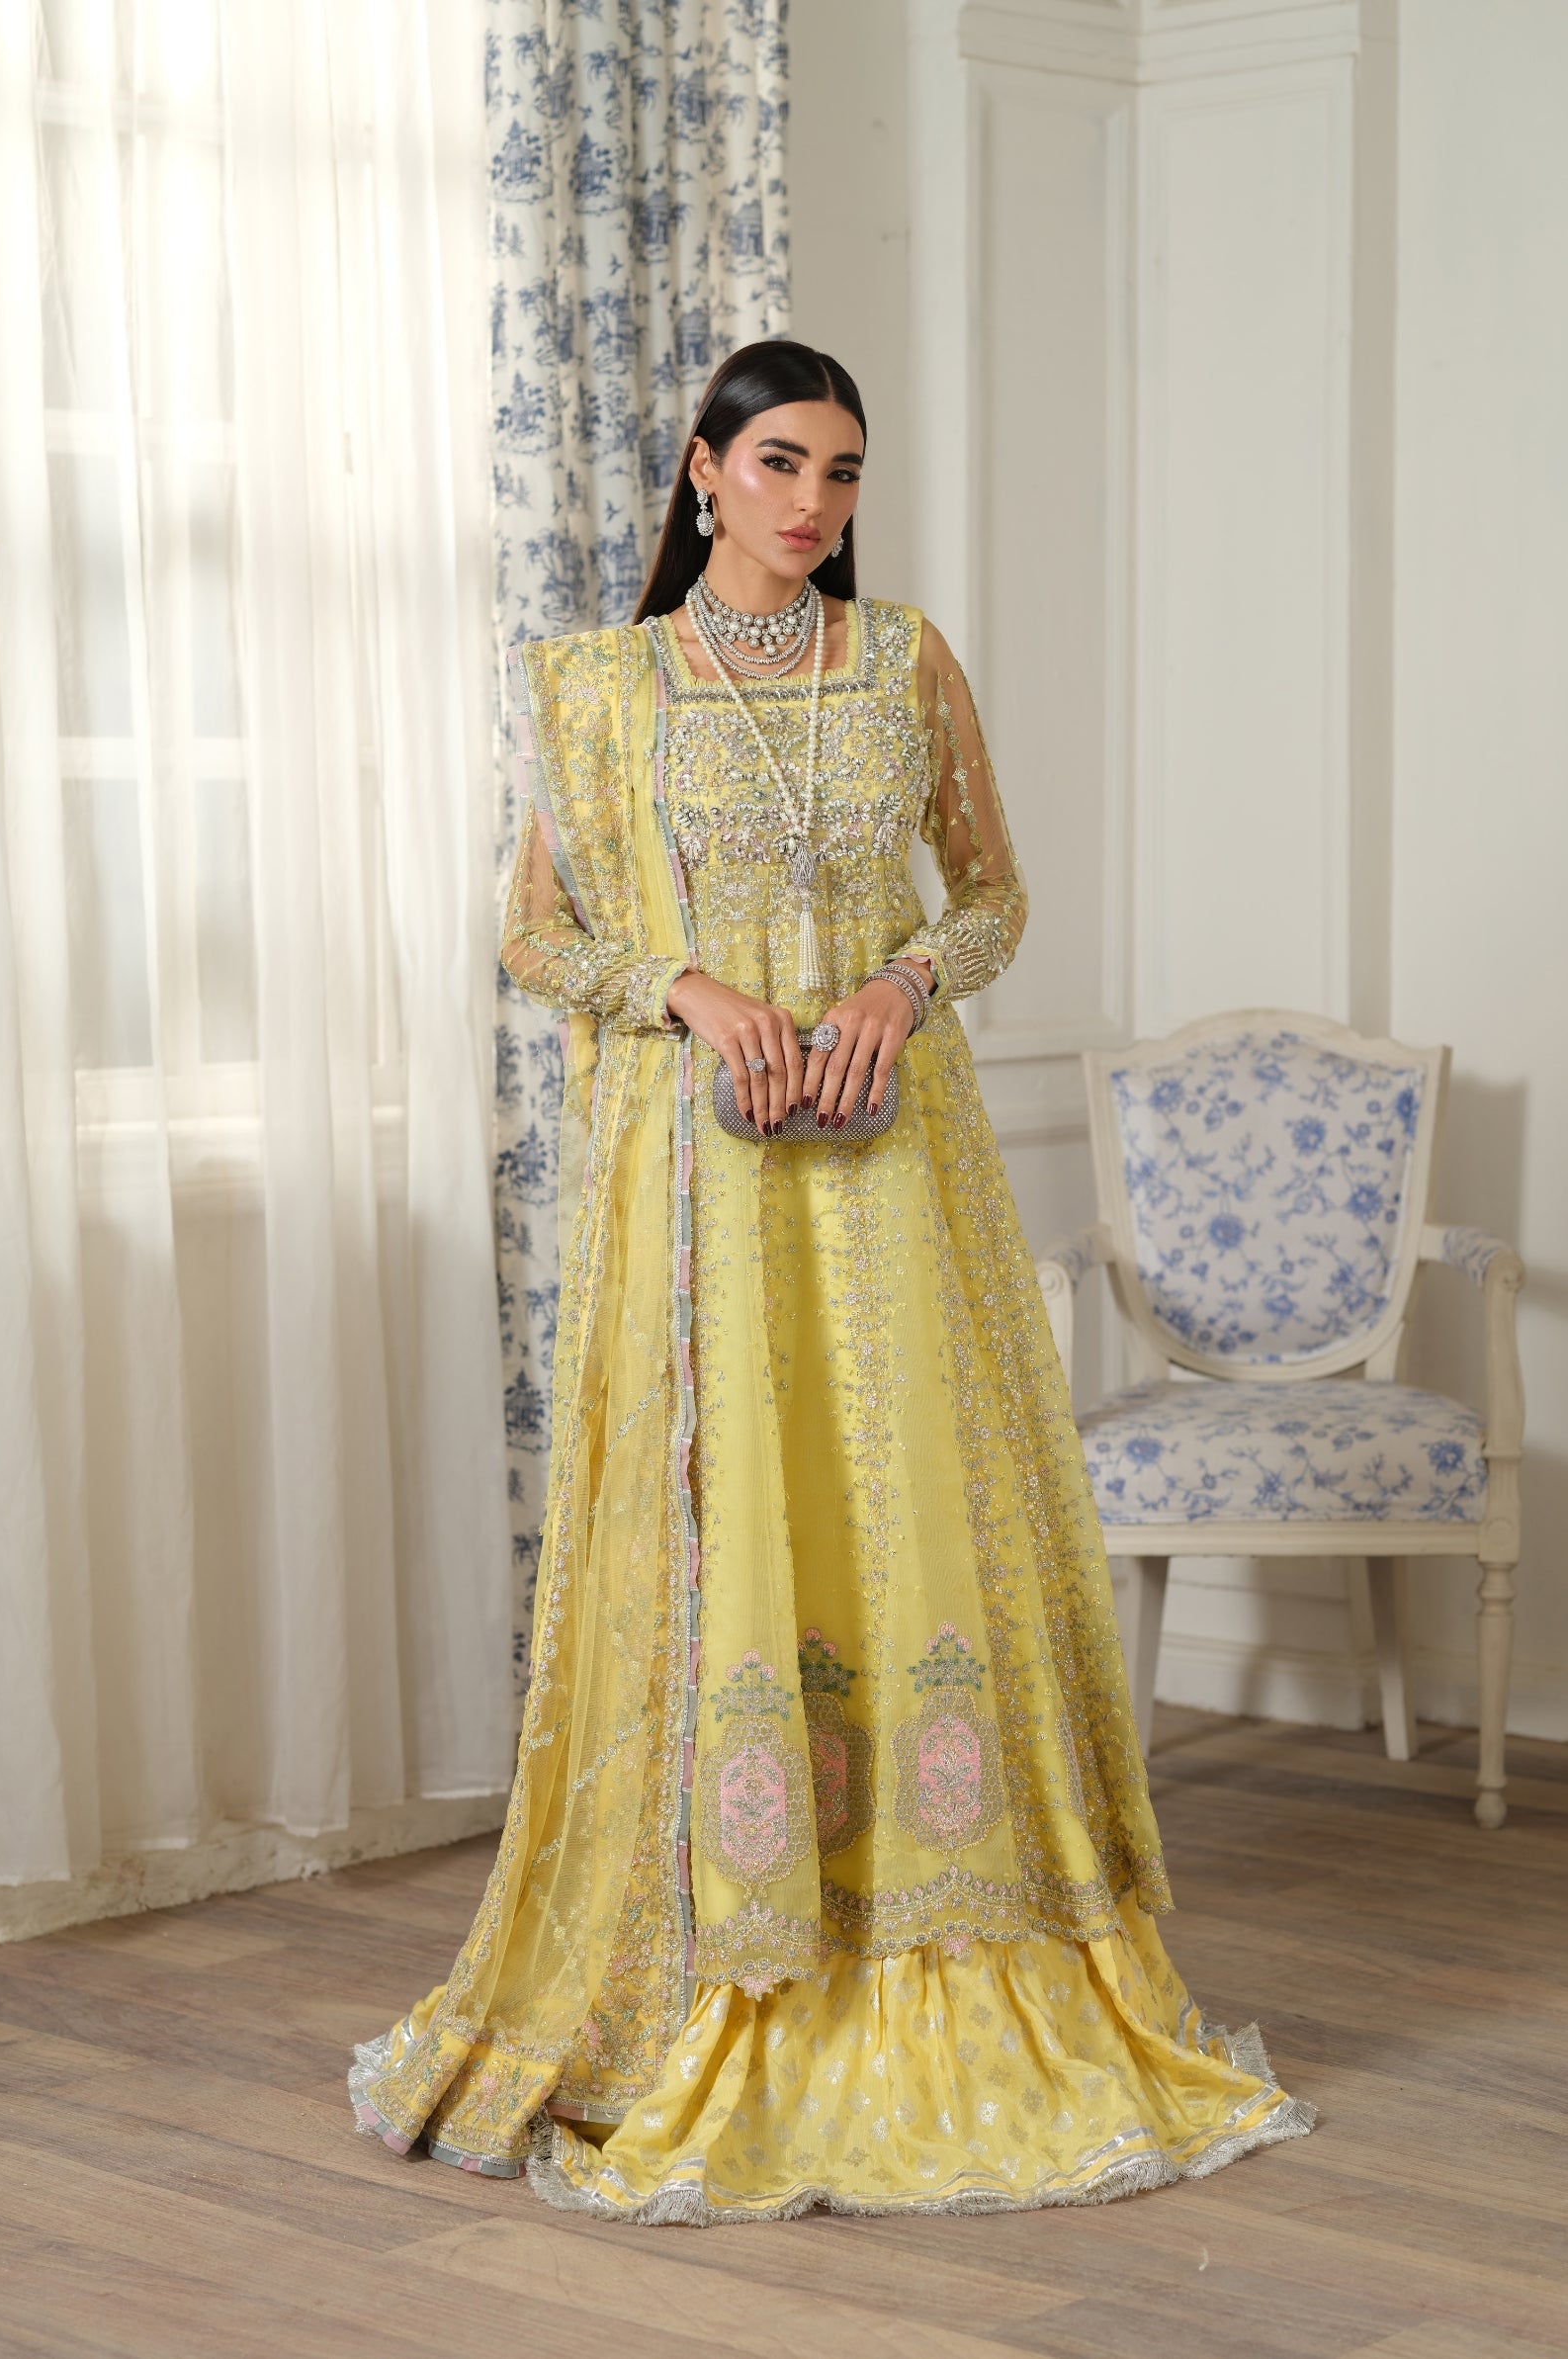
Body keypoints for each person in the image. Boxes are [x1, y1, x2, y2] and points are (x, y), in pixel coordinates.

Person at [348, 338, 1314, 2221]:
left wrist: (898, 980)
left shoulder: (906, 661)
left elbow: (993, 895)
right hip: (700, 1187)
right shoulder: (602, 687)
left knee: (905, 1515)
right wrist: (685, 988)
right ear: (703, 471)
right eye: (782, 462)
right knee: (737, 1526)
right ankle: (727, 1939)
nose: (816, 502)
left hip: (891, 1171)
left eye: (845, 471)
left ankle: (939, 1933)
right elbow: (535, 934)